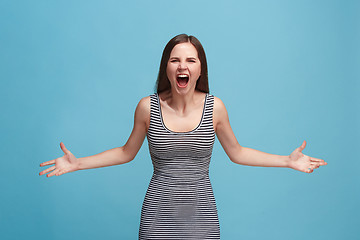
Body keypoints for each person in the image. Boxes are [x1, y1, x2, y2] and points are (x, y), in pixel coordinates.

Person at [39, 34, 327, 239]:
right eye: (175, 60)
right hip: (157, 218)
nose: (182, 66)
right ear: (166, 66)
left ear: (200, 67)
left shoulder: (215, 108)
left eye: (190, 60)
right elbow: (126, 152)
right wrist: (78, 164)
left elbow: (237, 152)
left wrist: (287, 161)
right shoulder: (147, 107)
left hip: (201, 218)